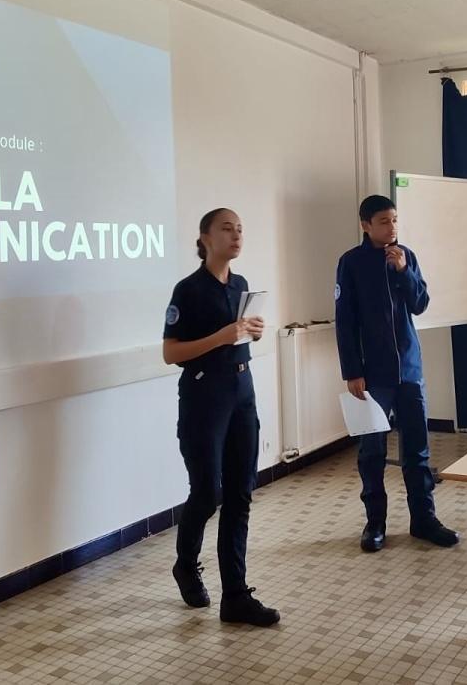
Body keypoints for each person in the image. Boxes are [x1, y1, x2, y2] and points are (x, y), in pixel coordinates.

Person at [162, 208, 280, 626]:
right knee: (206, 493)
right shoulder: (188, 290)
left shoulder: (243, 285)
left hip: (241, 395)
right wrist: (221, 337)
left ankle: (236, 596)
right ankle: (185, 564)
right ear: (205, 237)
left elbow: (238, 336)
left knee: (240, 493)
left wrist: (252, 332)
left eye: (240, 229)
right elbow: (170, 352)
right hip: (203, 397)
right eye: (226, 229)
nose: (236, 235)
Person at [335, 194, 460, 552]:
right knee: (372, 453)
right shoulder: (351, 263)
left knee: (417, 452)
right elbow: (345, 323)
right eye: (384, 221)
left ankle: (424, 520)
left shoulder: (406, 256)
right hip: (372, 376)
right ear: (365, 225)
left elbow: (420, 304)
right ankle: (375, 524)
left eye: (395, 220)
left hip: (409, 370)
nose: (392, 227)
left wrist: (404, 271)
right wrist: (352, 371)